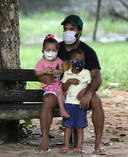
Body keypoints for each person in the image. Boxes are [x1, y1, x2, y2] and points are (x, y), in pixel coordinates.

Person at [37, 15, 105, 155]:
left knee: (96, 101)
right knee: (48, 100)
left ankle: (98, 144)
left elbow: (97, 76)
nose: (67, 31)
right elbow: (43, 67)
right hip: (60, 89)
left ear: (79, 31)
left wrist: (88, 93)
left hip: (81, 91)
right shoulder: (57, 48)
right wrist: (44, 77)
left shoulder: (88, 51)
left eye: (71, 29)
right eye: (65, 28)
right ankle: (44, 140)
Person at [60, 49, 91, 155]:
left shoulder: (86, 72)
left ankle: (78, 146)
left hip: (80, 104)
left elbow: (89, 86)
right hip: (69, 103)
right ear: (71, 61)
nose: (80, 62)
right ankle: (66, 145)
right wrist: (69, 81)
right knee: (67, 126)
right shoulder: (67, 73)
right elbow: (63, 88)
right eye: (77, 59)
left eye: (82, 60)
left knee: (79, 127)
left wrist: (84, 91)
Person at [35, 34, 70, 118]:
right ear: (43, 50)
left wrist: (58, 71)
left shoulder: (58, 60)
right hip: (48, 86)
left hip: (57, 84)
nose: (51, 53)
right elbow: (36, 73)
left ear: (57, 51)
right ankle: (62, 110)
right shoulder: (41, 62)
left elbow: (63, 69)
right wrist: (44, 71)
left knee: (67, 93)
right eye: (48, 50)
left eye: (54, 50)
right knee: (59, 91)